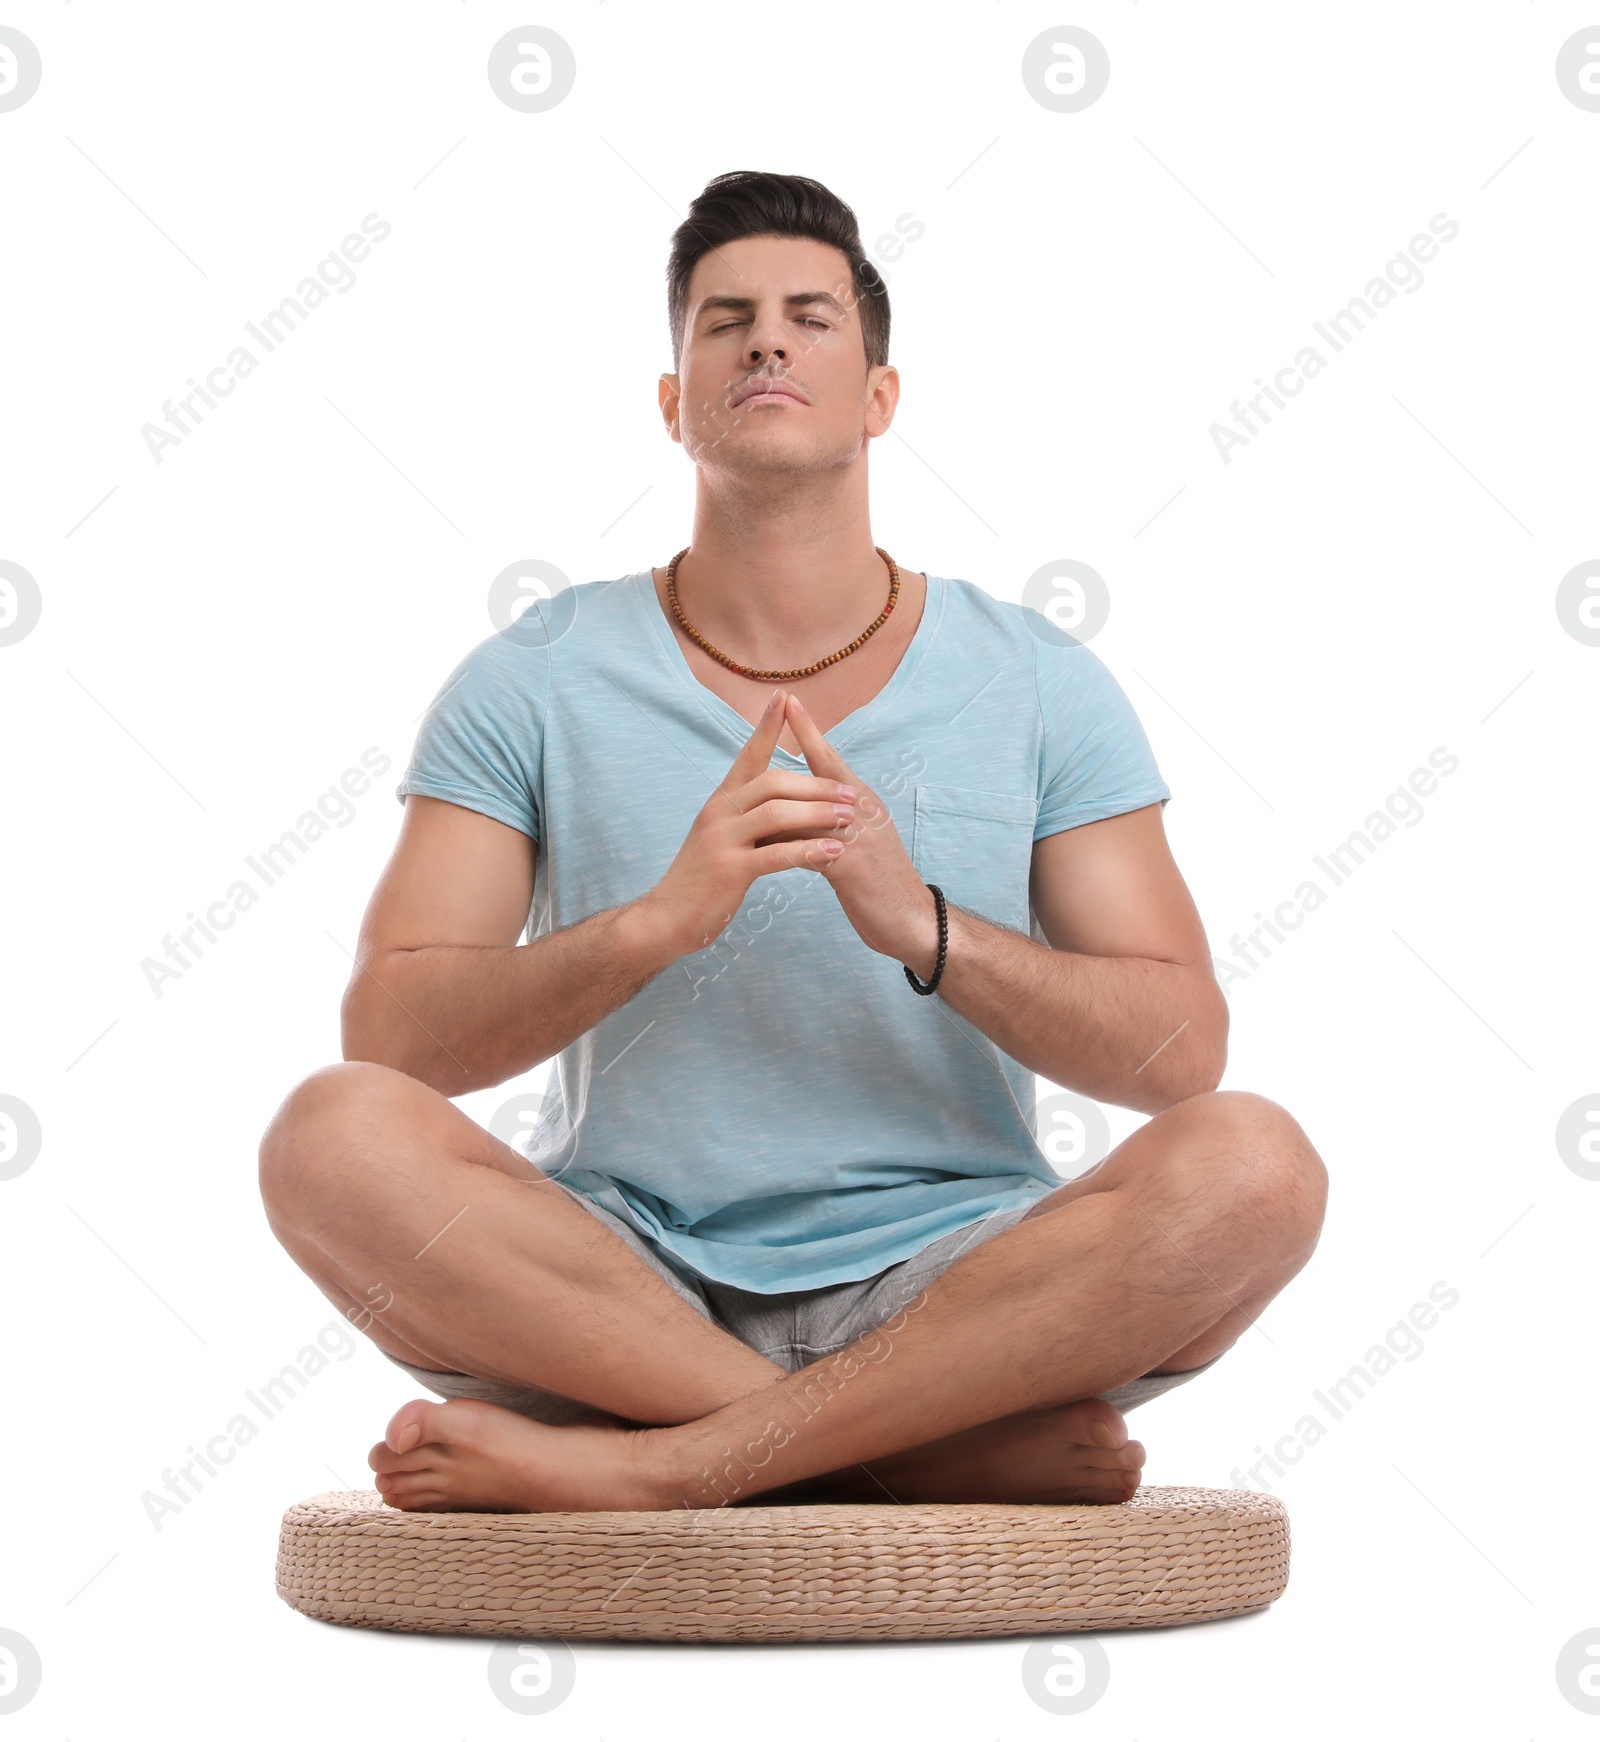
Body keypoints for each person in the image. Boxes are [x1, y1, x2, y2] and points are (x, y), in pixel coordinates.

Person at [258, 170, 1327, 1514]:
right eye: (726, 320)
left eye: (812, 316)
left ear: (880, 397)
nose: (768, 340)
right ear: (674, 401)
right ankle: (908, 1454)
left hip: (961, 1287)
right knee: (327, 1135)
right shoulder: (533, 673)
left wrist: (924, 926)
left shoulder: (1040, 677)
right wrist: (659, 921)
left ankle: (675, 1466)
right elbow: (394, 1039)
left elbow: (1182, 1055)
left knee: (1257, 1164)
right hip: (620, 1288)